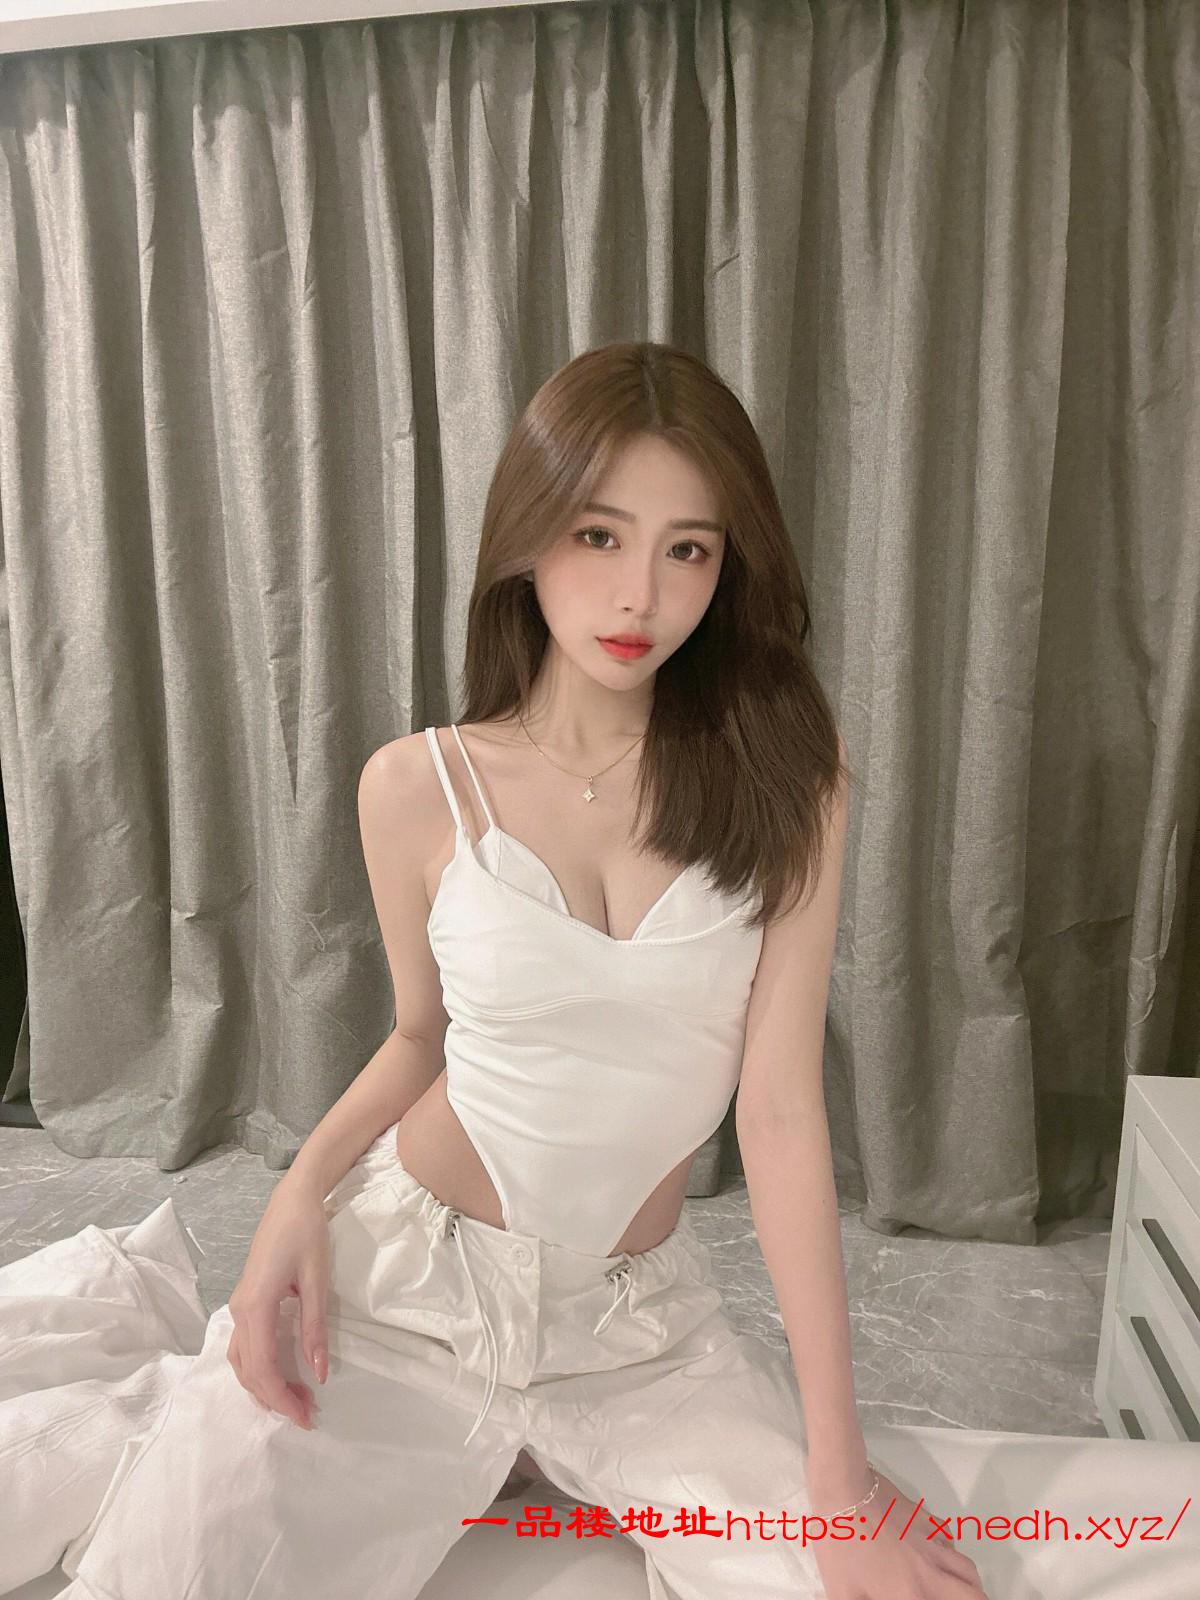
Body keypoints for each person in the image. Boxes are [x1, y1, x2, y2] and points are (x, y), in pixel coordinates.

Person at [2, 342, 990, 1600]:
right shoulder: (417, 786)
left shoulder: (791, 780)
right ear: (529, 536)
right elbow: (423, 1037)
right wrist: (296, 1199)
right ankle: (164, 1406)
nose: (641, 593)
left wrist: (839, 1483)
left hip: (637, 1338)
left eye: (688, 549)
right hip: (406, 1294)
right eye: (599, 534)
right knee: (169, 1575)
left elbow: (784, 1111)